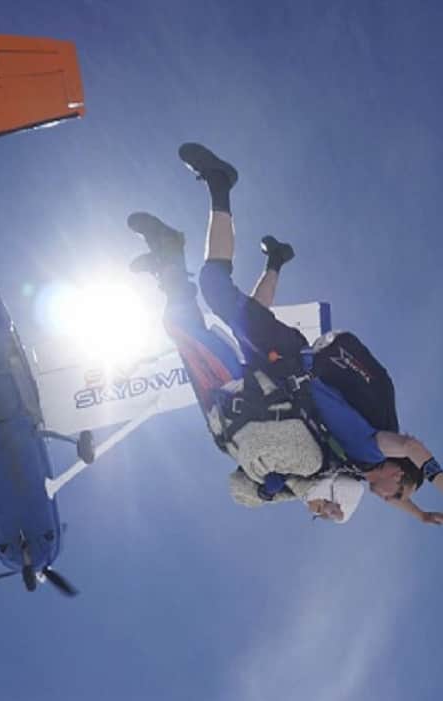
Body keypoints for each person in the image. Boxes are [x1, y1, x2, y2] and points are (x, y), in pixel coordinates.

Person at [129, 141, 443, 528]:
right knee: (215, 285)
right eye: (396, 492)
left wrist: (418, 514)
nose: (385, 499)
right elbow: (412, 447)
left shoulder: (351, 469)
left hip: (273, 379)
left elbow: (390, 498)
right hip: (285, 359)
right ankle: (220, 184)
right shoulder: (373, 446)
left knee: (231, 319)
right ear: (398, 474)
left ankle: (268, 261)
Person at [127, 213, 363, 523]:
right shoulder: (310, 463)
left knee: (186, 330)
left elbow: (236, 489)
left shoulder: (296, 482)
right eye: (329, 509)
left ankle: (166, 266)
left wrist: (266, 491)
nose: (317, 511)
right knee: (186, 326)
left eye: (323, 515)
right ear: (336, 493)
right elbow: (256, 451)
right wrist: (269, 483)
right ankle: (170, 257)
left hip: (219, 407)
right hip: (239, 391)